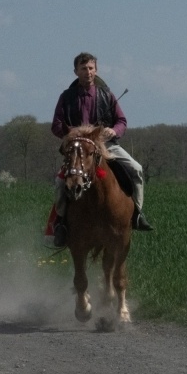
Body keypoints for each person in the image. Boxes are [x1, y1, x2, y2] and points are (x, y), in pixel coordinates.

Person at [50, 52, 153, 247]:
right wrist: (72, 134)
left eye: (90, 68)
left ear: (95, 70)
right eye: (83, 68)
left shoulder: (107, 95)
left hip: (106, 146)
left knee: (137, 169)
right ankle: (61, 223)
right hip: (77, 148)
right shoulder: (66, 97)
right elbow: (56, 125)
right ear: (75, 71)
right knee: (59, 182)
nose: (87, 72)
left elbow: (122, 121)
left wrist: (113, 131)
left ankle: (137, 215)